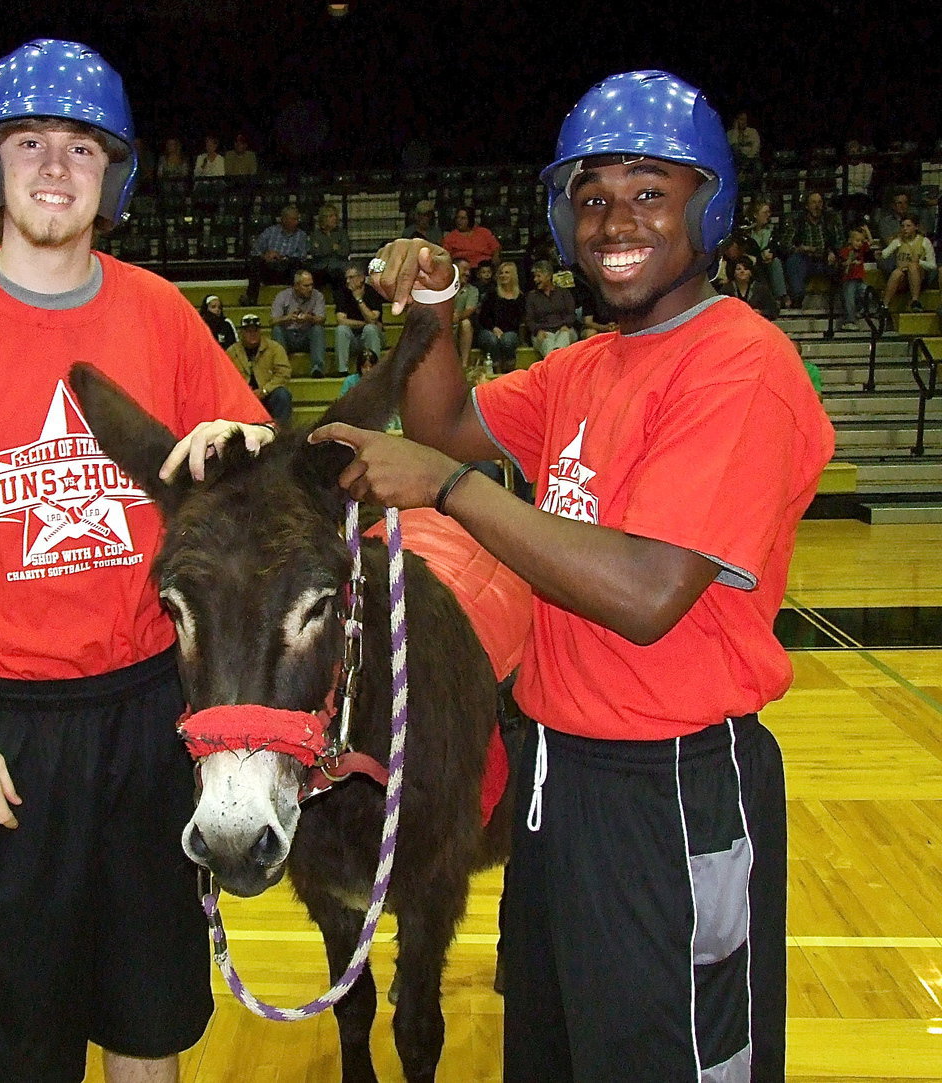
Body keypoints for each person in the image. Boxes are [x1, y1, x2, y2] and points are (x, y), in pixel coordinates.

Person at [311, 69, 833, 1082]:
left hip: (672, 792)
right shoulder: (590, 365)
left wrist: (452, 489)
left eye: (650, 191)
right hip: (560, 779)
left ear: (708, 204)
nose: (614, 221)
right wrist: (433, 307)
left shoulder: (741, 364)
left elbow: (645, 594)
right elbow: (442, 423)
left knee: (668, 1058)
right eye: (592, 198)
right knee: (554, 1052)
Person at [0, 38, 274, 1083]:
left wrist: (235, 454)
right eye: (30, 142)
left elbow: (254, 465)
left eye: (83, 146)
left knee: (148, 1017)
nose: (57, 167)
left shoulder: (161, 315)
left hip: (148, 722)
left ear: (114, 176)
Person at [226, 313, 293, 424]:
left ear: (260, 331)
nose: (252, 334)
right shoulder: (232, 352)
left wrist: (264, 390)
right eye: (248, 331)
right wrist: (244, 391)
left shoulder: (275, 348)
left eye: (255, 330)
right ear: (241, 333)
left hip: (268, 394)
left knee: (283, 395)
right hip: (243, 395)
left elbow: (283, 373)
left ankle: (281, 431)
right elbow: (226, 377)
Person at [780, 191, 843, 308]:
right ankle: (797, 299)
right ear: (806, 206)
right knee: (794, 261)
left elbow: (840, 242)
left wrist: (833, 252)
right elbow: (785, 244)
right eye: (813, 202)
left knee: (841, 264)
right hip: (804, 258)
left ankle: (840, 304)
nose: (817, 206)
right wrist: (801, 248)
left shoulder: (831, 220)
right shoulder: (797, 221)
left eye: (820, 202)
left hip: (825, 259)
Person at [241, 204, 309, 306]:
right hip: (270, 269)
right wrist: (266, 255)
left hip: (288, 270)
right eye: (294, 219)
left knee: (296, 264)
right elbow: (255, 250)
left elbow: (302, 256)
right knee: (255, 262)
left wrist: (283, 257)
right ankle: (251, 299)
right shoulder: (270, 231)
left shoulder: (301, 235)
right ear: (284, 219)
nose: (297, 222)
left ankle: (296, 301)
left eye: (297, 219)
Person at [270, 268, 327, 375]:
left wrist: (308, 318)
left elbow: (322, 319)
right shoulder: (282, 296)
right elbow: (272, 321)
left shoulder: (318, 296)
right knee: (277, 330)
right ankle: (282, 369)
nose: (310, 288)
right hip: (288, 336)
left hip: (307, 335)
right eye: (306, 286)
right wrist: (288, 318)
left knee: (318, 329)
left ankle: (317, 368)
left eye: (311, 285)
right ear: (296, 286)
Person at [334, 261, 384, 373]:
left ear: (361, 277)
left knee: (370, 329)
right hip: (352, 338)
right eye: (346, 278)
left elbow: (372, 319)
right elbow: (341, 320)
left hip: (373, 336)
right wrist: (364, 323)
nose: (347, 281)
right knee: (341, 330)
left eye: (351, 277)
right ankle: (342, 370)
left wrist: (359, 300)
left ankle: (374, 370)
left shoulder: (372, 292)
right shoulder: (342, 293)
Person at [475, 260, 525, 373]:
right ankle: (497, 371)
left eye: (507, 272)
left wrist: (503, 331)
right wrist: (494, 328)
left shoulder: (520, 297)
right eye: (501, 273)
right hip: (488, 330)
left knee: (507, 340)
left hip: (510, 332)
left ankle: (509, 371)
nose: (503, 275)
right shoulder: (492, 293)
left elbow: (519, 320)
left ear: (513, 275)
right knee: (492, 340)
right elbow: (483, 317)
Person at [880, 215, 935, 312]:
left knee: (913, 266)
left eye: (908, 226)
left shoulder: (925, 242)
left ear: (916, 227)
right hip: (903, 278)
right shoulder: (898, 241)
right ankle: (884, 305)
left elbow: (932, 266)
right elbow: (885, 254)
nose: (905, 229)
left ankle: (915, 301)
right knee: (897, 273)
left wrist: (919, 262)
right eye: (903, 226)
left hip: (919, 276)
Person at [523, 261, 578, 358]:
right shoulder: (532, 296)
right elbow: (529, 319)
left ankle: (554, 365)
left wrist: (566, 325)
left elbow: (571, 314)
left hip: (563, 328)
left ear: (548, 276)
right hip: (543, 331)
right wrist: (537, 330)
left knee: (564, 336)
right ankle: (557, 366)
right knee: (547, 342)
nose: (535, 279)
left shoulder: (563, 293)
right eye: (535, 277)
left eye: (538, 276)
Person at [307, 202, 351, 299]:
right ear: (324, 218)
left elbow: (345, 251)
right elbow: (315, 252)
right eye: (331, 216)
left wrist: (325, 247)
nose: (335, 218)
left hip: (338, 267)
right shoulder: (315, 234)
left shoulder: (342, 233)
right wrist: (333, 247)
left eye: (335, 216)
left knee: (339, 277)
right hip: (320, 267)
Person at [723, 255, 780, 320]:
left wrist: (761, 312)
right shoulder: (726, 289)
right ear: (733, 272)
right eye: (738, 269)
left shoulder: (761, 289)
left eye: (746, 269)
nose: (742, 271)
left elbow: (774, 310)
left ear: (751, 272)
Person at [838, 227, 873, 328]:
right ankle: (849, 320)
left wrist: (867, 231)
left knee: (868, 294)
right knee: (850, 299)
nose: (859, 243)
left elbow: (870, 242)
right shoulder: (845, 251)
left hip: (859, 279)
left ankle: (860, 310)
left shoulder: (861, 249)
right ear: (850, 240)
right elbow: (842, 264)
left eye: (861, 241)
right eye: (857, 241)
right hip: (849, 280)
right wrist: (849, 261)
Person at [451, 258, 481, 366]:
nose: (467, 273)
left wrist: (456, 317)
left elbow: (470, 309)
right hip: (444, 323)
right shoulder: (443, 288)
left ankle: (464, 366)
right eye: (464, 269)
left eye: (469, 270)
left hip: (460, 327)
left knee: (466, 323)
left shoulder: (472, 290)